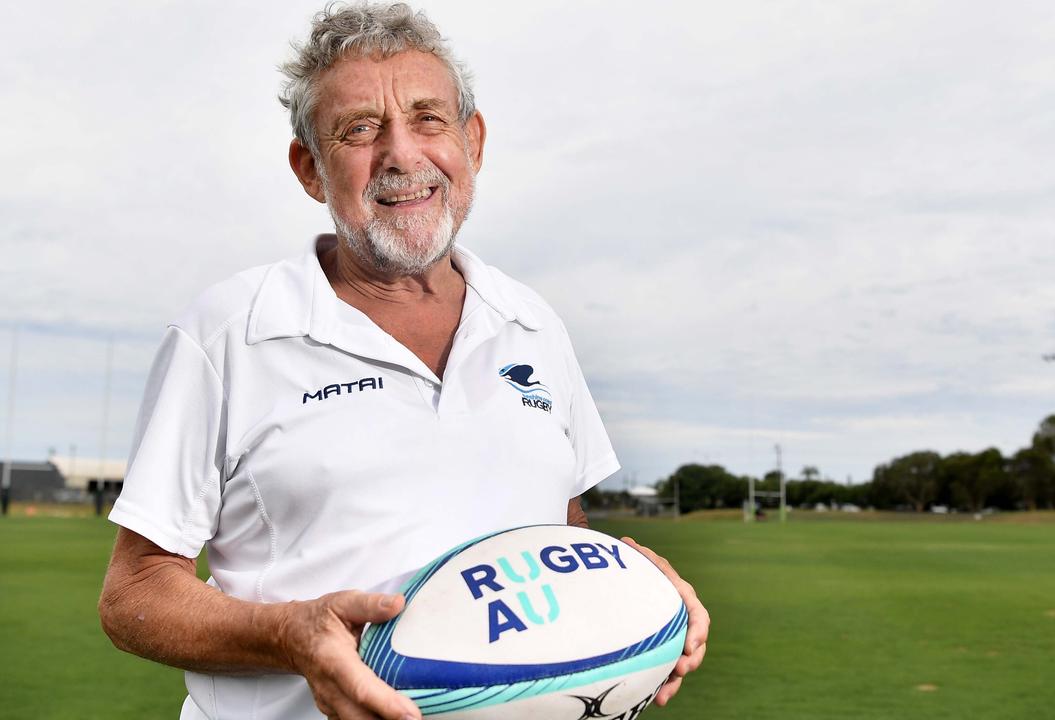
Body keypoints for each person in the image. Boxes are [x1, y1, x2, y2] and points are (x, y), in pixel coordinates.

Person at [97, 4, 709, 719]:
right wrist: (286, 636)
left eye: (428, 119)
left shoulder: (533, 323)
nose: (401, 155)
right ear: (309, 168)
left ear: (471, 141)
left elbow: (559, 534)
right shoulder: (230, 330)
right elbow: (134, 593)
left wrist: (637, 585)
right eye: (358, 129)